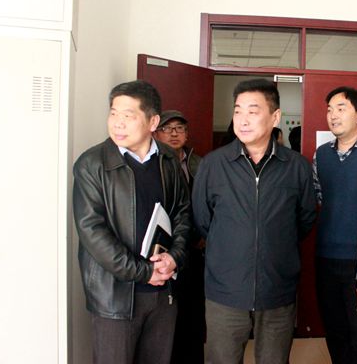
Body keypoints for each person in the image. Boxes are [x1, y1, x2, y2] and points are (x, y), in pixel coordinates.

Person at [192, 78, 317, 364]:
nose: (243, 120)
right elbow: (202, 219)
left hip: (277, 289)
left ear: (275, 117)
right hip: (225, 289)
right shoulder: (213, 164)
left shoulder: (296, 166)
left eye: (253, 111)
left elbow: (305, 218)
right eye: (238, 111)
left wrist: (274, 242)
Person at [72, 80, 190, 364]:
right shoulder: (92, 164)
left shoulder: (168, 160)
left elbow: (182, 213)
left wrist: (174, 257)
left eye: (128, 115)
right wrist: (143, 271)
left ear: (153, 122)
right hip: (115, 296)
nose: (118, 123)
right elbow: (92, 230)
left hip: (162, 292)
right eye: (113, 113)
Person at [312, 86, 357, 364]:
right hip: (326, 257)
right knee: (335, 330)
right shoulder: (321, 154)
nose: (333, 115)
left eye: (341, 108)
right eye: (330, 110)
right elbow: (319, 197)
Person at [153, 110, 205, 364]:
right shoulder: (153, 163)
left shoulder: (200, 164)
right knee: (167, 310)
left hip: (195, 247)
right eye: (167, 128)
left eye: (180, 128)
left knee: (192, 309)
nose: (174, 133)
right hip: (163, 250)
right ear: (155, 132)